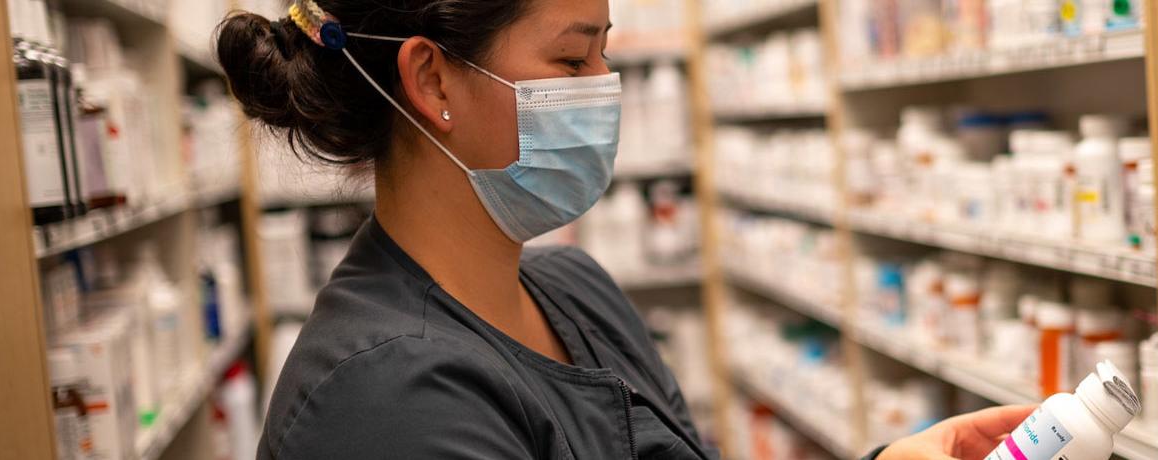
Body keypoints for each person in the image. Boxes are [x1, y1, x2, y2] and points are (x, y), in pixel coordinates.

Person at [216, 1, 1035, 458]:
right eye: (573, 62)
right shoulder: (385, 405)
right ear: (433, 79)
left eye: (604, 54)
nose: (606, 87)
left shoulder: (576, 293)